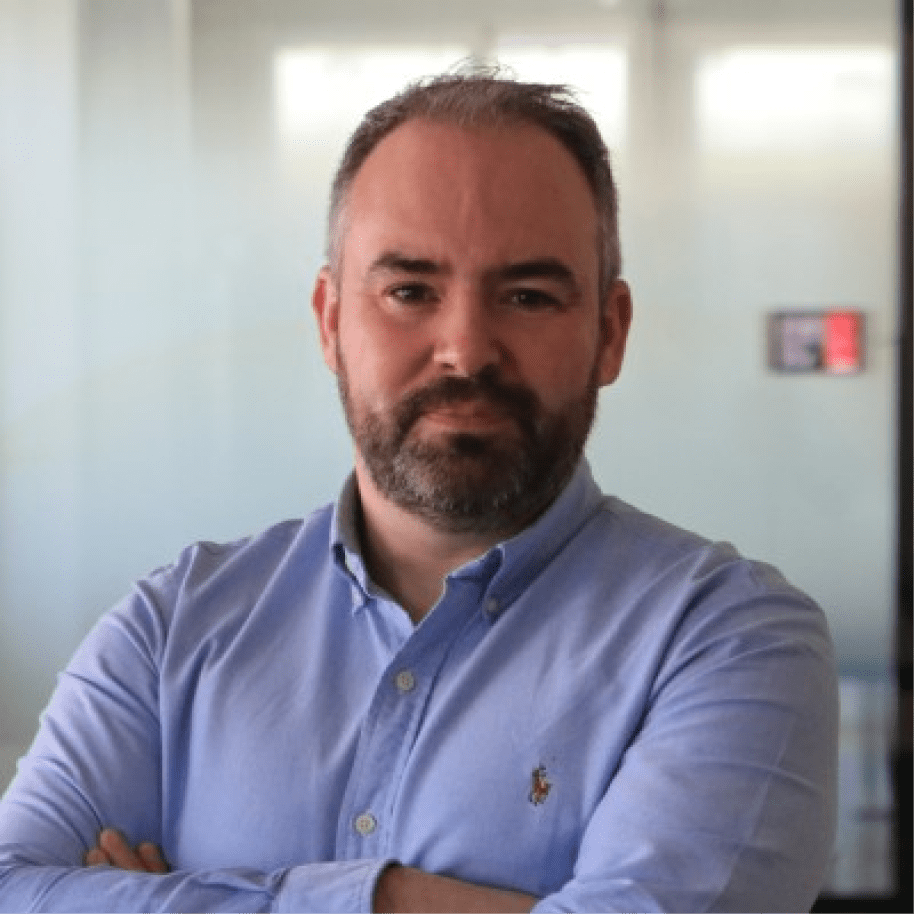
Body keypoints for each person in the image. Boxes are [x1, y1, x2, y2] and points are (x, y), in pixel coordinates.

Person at [0, 69, 838, 913]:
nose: (465, 349)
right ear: (331, 320)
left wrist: (179, 899)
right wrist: (399, 899)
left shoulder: (729, 639)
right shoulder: (173, 627)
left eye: (528, 296)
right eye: (409, 291)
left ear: (609, 333)